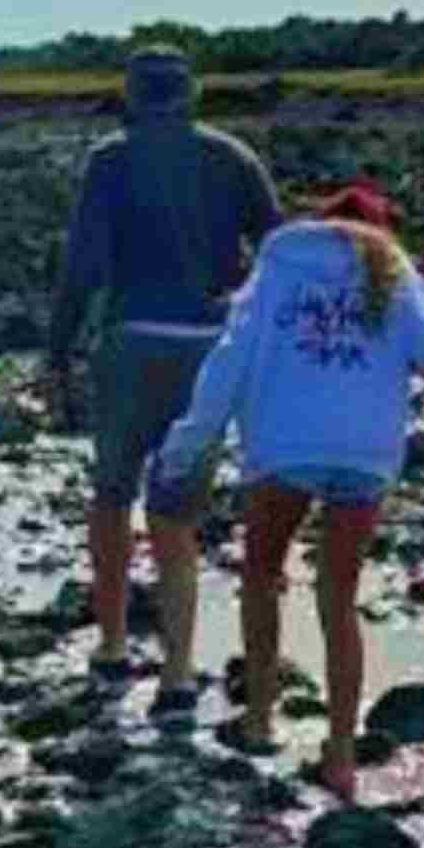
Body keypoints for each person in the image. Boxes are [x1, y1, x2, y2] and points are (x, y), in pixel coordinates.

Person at [148, 182, 424, 801]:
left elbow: (229, 360)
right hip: (364, 452)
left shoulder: (279, 269)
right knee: (339, 594)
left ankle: (258, 721)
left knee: (261, 574)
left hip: (285, 444)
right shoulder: (396, 275)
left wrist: (187, 446)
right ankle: (340, 751)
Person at [47, 44, 283, 713]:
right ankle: (177, 674)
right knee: (176, 515)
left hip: (128, 341)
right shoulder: (232, 157)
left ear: (129, 96)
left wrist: (57, 351)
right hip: (208, 349)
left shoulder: (110, 159)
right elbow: (280, 249)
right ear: (192, 95)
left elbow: (83, 266)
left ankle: (114, 644)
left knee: (111, 495)